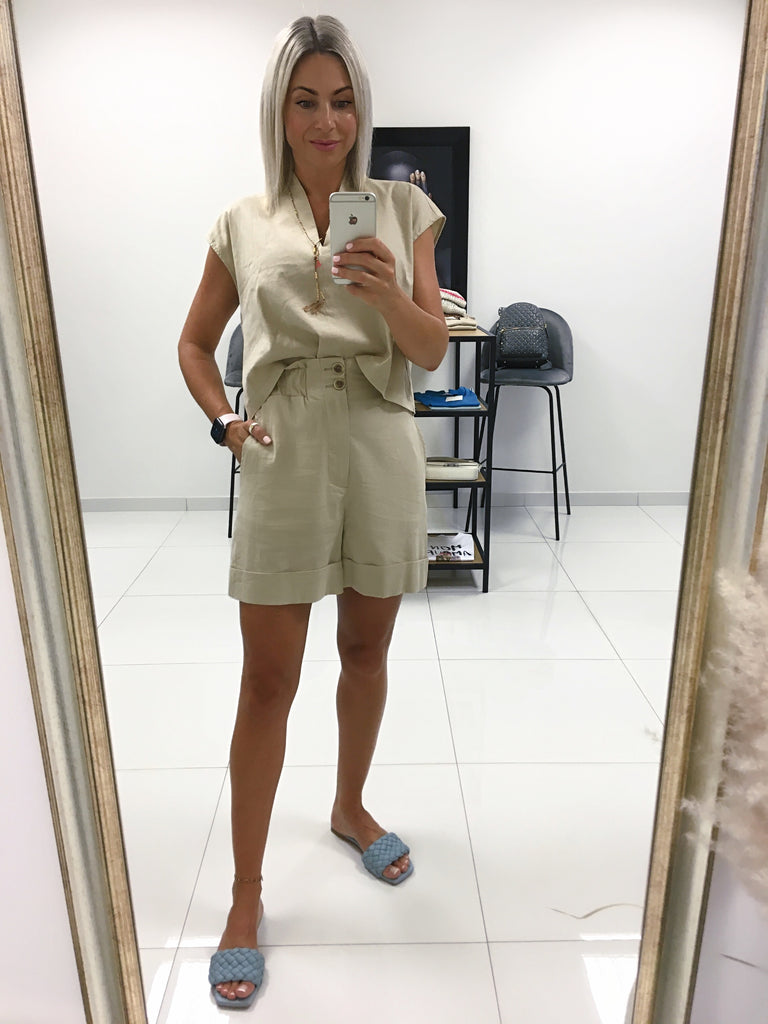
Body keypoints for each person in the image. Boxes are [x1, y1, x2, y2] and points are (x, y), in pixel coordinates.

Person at [178, 14, 447, 1010]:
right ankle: (245, 894)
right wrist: (223, 422)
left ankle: (348, 805)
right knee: (266, 681)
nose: (326, 120)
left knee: (367, 652)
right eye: (306, 101)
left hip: (379, 437)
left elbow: (431, 350)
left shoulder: (404, 208)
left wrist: (386, 293)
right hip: (283, 444)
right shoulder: (243, 221)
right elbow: (194, 344)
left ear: (361, 112)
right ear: (280, 113)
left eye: (342, 101)